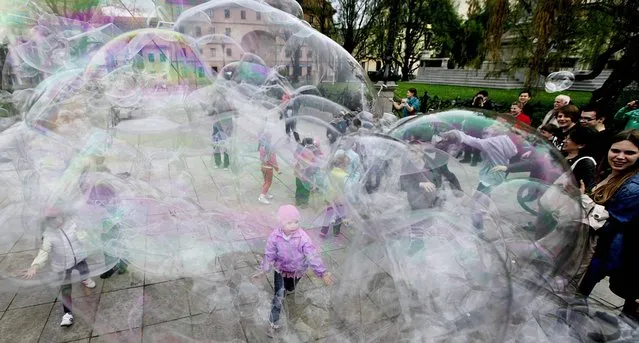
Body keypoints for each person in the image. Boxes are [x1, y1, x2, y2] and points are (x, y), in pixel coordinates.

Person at [577, 129, 639, 324]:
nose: (620, 157)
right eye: (616, 150)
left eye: (629, 153)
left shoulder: (634, 187)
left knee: (576, 294)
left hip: (599, 252)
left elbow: (609, 225)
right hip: (586, 245)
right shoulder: (609, 174)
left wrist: (582, 200)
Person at [252, 205, 335, 334]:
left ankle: (290, 289)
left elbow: (312, 255)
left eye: (296, 222)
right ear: (281, 223)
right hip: (281, 270)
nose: (294, 226)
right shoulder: (275, 237)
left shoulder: (303, 237)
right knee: (278, 295)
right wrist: (263, 270)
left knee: (290, 288)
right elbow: (270, 255)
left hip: (297, 270)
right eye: (289, 223)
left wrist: (322, 272)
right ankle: (273, 321)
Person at [22, 208, 97, 327]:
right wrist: (35, 265)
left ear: (62, 216)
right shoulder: (49, 235)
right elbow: (44, 251)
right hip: (63, 266)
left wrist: (84, 236)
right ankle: (67, 314)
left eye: (56, 217)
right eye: (50, 219)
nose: (54, 221)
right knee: (66, 289)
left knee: (84, 270)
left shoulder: (73, 225)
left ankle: (85, 279)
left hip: (79, 258)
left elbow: (84, 237)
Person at [442, 122, 519, 232]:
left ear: (498, 131)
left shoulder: (491, 142)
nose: (490, 127)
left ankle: (479, 228)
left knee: (478, 203)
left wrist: (455, 132)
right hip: (498, 175)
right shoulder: (506, 140)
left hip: (490, 176)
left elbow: (471, 141)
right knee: (481, 197)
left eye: (494, 126)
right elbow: (514, 153)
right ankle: (479, 216)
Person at [562, 127, 599, 193]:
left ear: (581, 145)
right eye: (565, 138)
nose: (564, 141)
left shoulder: (586, 163)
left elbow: (584, 187)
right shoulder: (562, 154)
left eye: (569, 139)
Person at [258, 132, 279, 204]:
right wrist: (276, 167)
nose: (271, 139)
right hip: (268, 168)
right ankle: (262, 196)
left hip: (263, 167)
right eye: (270, 137)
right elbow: (273, 160)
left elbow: (261, 158)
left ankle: (265, 193)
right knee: (268, 183)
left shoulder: (262, 147)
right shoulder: (270, 147)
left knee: (265, 181)